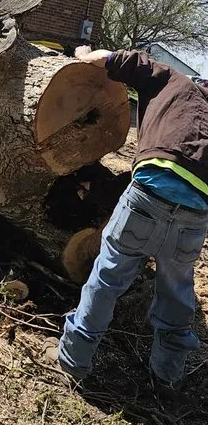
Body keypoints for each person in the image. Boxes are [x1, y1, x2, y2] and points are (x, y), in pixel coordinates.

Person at [45, 46, 208, 394]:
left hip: (147, 197)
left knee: (106, 280)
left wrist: (86, 53)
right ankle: (166, 376)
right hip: (195, 216)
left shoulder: (171, 80)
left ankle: (73, 361)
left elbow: (123, 61)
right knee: (176, 297)